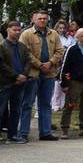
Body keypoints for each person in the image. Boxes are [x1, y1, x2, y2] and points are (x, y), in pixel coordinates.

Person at [18, 9, 65, 141]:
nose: (43, 20)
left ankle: (45, 132)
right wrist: (39, 65)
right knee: (27, 104)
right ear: (34, 20)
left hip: (49, 74)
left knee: (45, 104)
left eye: (45, 18)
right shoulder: (26, 34)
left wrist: (50, 63)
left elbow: (60, 50)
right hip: (32, 74)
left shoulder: (53, 34)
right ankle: (23, 133)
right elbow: (24, 52)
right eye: (40, 18)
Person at [59, 28, 83, 138]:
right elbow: (65, 67)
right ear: (77, 38)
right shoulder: (72, 49)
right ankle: (65, 129)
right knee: (69, 106)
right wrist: (64, 83)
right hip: (75, 83)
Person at [1, 20, 33, 143]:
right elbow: (2, 65)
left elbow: (28, 61)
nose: (17, 32)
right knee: (1, 109)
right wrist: (16, 76)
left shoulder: (22, 46)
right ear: (8, 30)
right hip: (6, 83)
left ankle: (12, 135)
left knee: (16, 110)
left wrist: (24, 75)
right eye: (14, 30)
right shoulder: (2, 46)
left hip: (21, 83)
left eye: (19, 30)